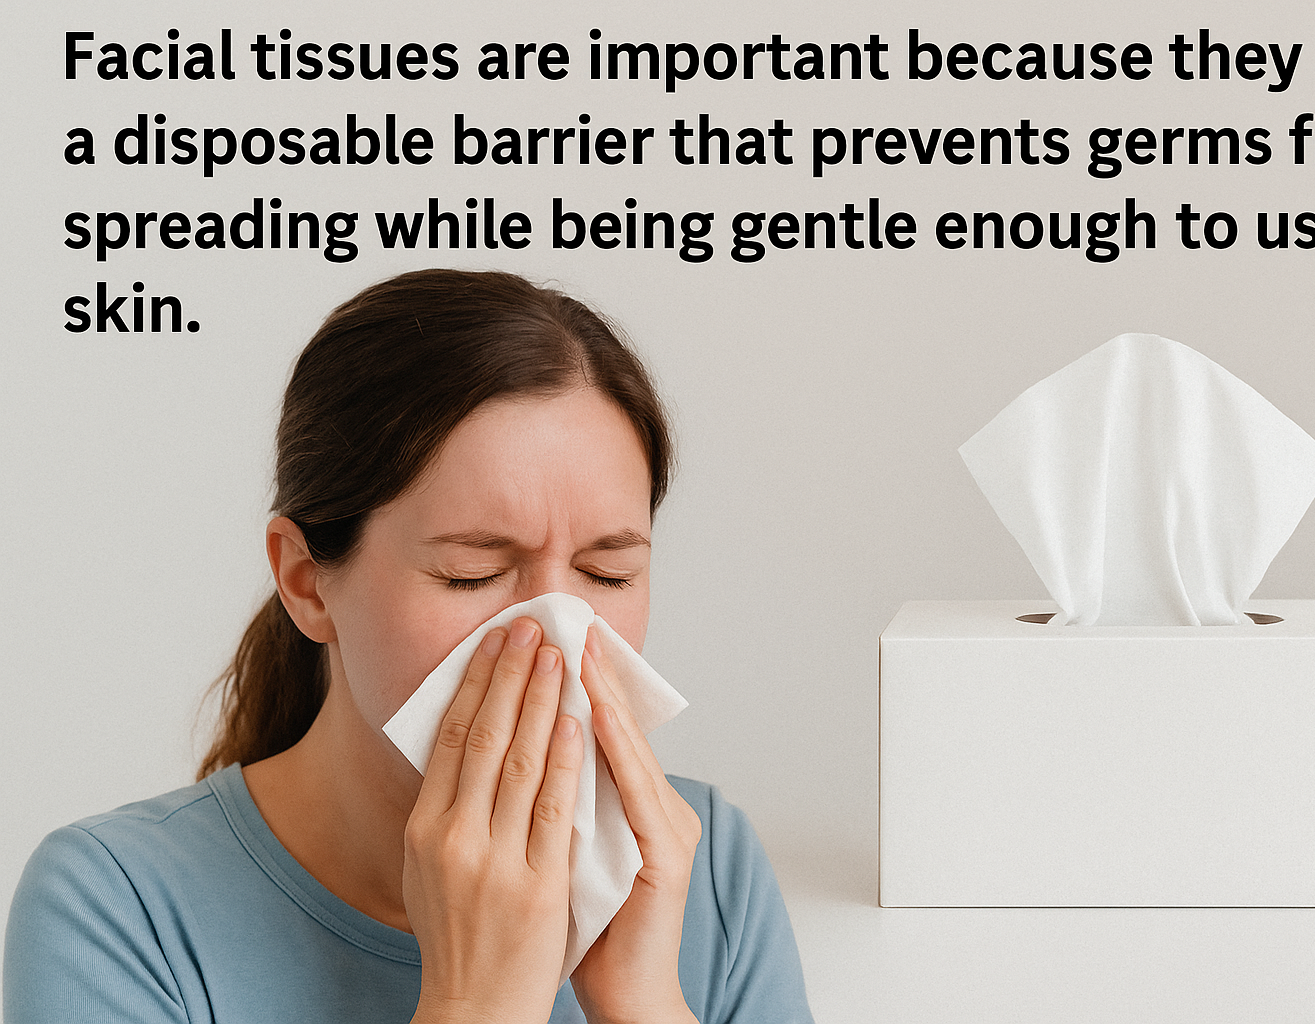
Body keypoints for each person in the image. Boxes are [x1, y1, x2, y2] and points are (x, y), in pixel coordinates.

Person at [3, 269, 815, 1024]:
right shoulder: (115, 907)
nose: (554, 637)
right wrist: (476, 1001)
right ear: (307, 583)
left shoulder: (700, 865)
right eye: (471, 574)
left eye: (609, 573)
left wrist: (644, 1004)